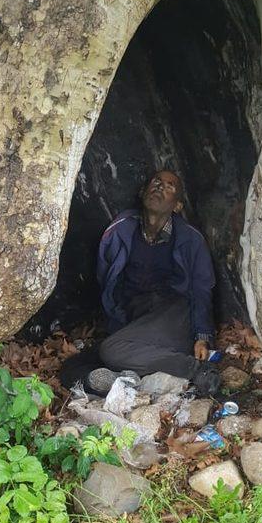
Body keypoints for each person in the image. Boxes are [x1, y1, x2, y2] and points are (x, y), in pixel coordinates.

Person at [90, 170, 221, 397]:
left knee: (111, 350)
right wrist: (115, 318)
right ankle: (132, 374)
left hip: (173, 316)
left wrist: (202, 337)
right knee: (83, 364)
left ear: (178, 206)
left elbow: (201, 290)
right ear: (142, 192)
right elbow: (107, 280)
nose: (160, 187)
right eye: (156, 182)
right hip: (137, 317)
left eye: (169, 186)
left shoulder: (190, 240)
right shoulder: (120, 229)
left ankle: (196, 369)